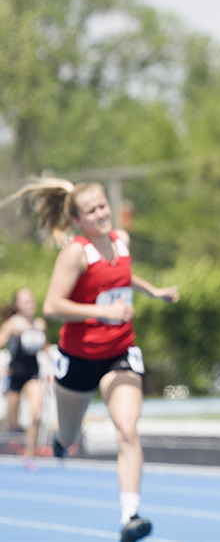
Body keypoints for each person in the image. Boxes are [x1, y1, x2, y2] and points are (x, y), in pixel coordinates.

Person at [8, 179, 178, 542]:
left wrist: (155, 291)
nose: (101, 213)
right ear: (77, 220)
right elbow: (52, 305)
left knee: (127, 429)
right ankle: (60, 438)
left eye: (103, 206)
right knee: (69, 437)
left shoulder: (121, 241)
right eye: (92, 211)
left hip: (120, 353)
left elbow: (122, 275)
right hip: (79, 357)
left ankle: (130, 515)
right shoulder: (75, 253)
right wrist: (101, 313)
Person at [0, 288, 49, 471]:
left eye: (31, 299)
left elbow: (46, 348)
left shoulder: (40, 324)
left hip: (33, 374)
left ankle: (30, 455)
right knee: (13, 424)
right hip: (15, 376)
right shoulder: (13, 324)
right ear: (18, 305)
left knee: (35, 413)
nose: (29, 303)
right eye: (24, 300)